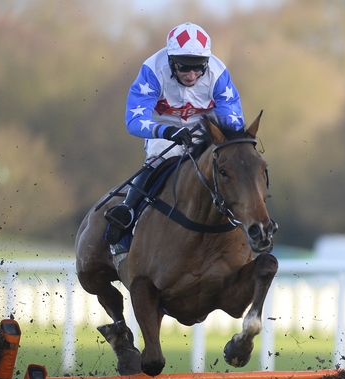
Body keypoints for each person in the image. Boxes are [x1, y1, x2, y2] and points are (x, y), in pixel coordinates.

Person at [103, 22, 245, 244]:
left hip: (203, 129)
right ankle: (127, 211)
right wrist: (166, 130)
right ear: (170, 61)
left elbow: (232, 118)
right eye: (183, 67)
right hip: (164, 130)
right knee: (159, 157)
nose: (191, 75)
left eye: (198, 67)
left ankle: (249, 220)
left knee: (231, 164)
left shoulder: (218, 73)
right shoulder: (152, 70)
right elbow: (134, 120)